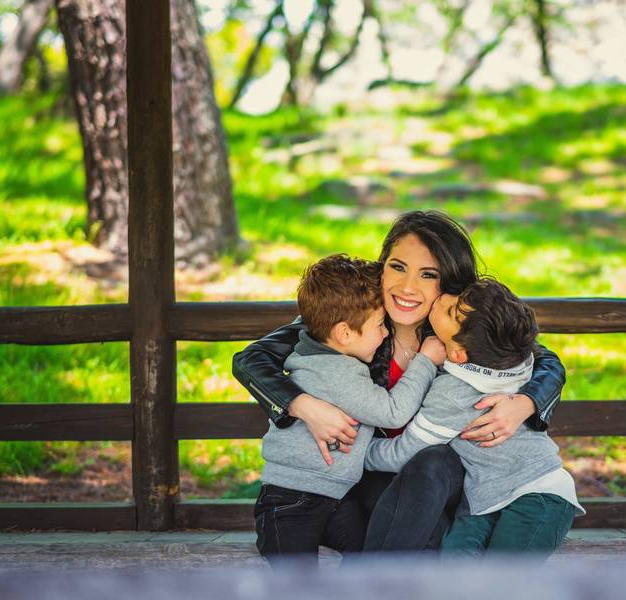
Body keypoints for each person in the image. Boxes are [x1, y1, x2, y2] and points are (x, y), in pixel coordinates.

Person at [232, 210, 566, 551]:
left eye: (428, 274)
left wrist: (526, 403)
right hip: (363, 478)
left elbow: (545, 360)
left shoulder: (459, 330)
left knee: (433, 461)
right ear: (382, 266)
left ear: (448, 281)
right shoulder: (352, 318)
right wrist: (304, 406)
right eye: (398, 266)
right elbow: (250, 360)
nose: (407, 287)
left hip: (443, 478)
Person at [365, 278, 584, 555]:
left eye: (450, 311)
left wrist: (359, 451)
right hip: (483, 497)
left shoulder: (453, 394)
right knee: (456, 567)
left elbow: (402, 454)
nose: (443, 298)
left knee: (502, 576)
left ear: (457, 354)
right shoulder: (511, 353)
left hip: (539, 493)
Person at [253, 254, 445, 561]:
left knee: (369, 555)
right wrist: (424, 361)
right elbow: (392, 412)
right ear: (344, 333)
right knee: (295, 582)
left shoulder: (325, 357)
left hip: (335, 498)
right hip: (292, 502)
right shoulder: (337, 372)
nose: (385, 334)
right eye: (380, 325)